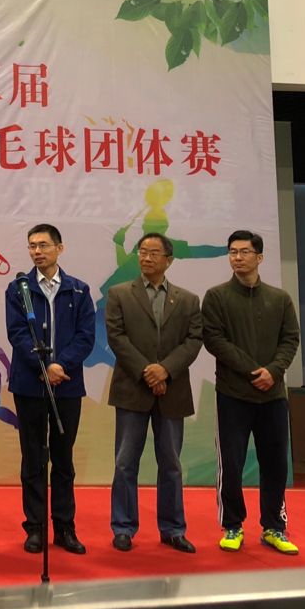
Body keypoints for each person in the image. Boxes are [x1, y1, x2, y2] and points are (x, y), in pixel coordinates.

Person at [202, 230, 301, 555]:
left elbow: (290, 339)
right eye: (233, 252)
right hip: (233, 395)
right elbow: (215, 340)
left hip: (273, 395)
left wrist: (273, 371)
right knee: (231, 464)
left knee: (275, 464)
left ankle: (274, 526)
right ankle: (232, 525)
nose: (237, 257)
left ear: (259, 257)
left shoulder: (279, 299)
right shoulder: (216, 297)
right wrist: (251, 371)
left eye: (244, 252)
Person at [105, 231, 204, 553]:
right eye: (142, 252)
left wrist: (166, 370)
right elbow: (117, 337)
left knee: (171, 464)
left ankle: (173, 528)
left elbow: (193, 340)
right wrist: (148, 371)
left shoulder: (188, 299)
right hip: (132, 388)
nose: (146, 258)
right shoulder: (120, 294)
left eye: (153, 253)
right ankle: (123, 527)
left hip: (172, 391)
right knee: (125, 462)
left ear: (169, 260)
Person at [6, 223, 96, 555]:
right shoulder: (18, 288)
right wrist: (43, 366)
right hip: (29, 384)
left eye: (43, 245)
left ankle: (64, 527)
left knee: (63, 459)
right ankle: (35, 527)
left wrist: (61, 366)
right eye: (32, 246)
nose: (37, 251)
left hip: (67, 385)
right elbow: (17, 333)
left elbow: (86, 336)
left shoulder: (79, 290)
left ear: (60, 248)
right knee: (33, 458)